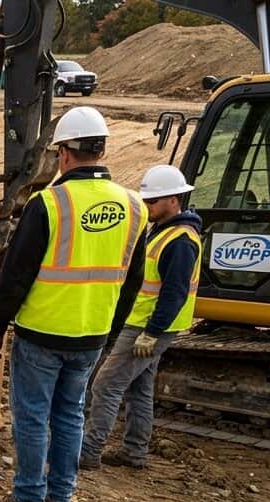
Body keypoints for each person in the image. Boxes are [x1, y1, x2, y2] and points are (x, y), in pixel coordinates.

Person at [0, 106, 148, 502]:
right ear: (102, 150)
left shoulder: (49, 204)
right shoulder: (134, 207)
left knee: (33, 415)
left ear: (65, 155)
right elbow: (133, 280)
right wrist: (110, 331)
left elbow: (16, 276)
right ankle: (61, 497)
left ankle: (29, 497)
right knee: (71, 412)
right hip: (92, 333)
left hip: (42, 330)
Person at [80, 165, 202, 469]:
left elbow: (174, 293)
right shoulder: (166, 232)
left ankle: (88, 452)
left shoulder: (180, 241)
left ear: (174, 200)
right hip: (146, 322)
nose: (146, 207)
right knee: (139, 387)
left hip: (148, 326)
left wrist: (152, 331)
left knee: (105, 385)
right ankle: (134, 452)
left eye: (152, 202)